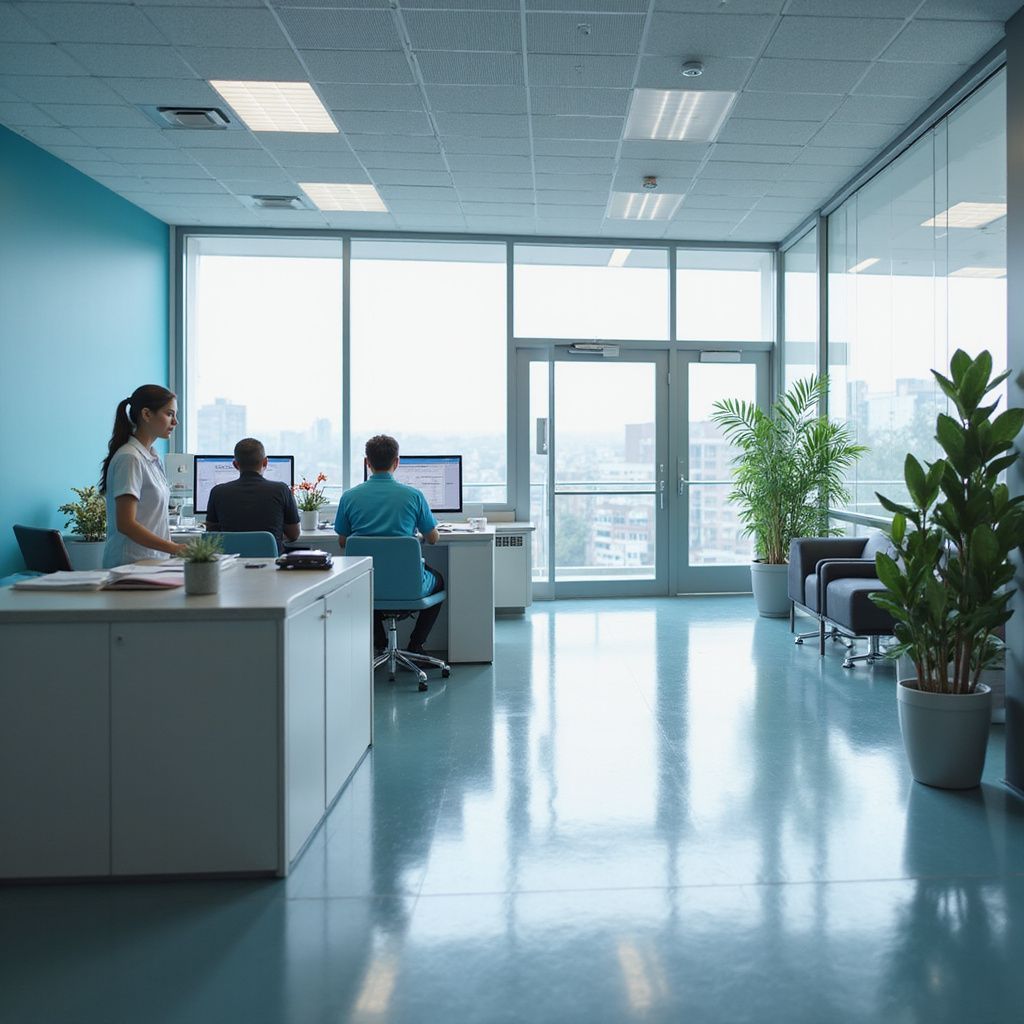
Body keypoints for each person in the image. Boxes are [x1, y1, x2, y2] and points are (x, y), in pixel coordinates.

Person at [335, 434, 444, 654]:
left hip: (365, 583)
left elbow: (343, 542)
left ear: (367, 462)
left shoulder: (349, 497)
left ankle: (379, 644)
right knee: (439, 580)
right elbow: (433, 538)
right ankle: (416, 644)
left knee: (370, 582)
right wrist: (416, 539)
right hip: (408, 584)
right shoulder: (413, 496)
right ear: (397, 461)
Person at [100, 384, 188, 568]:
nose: (175, 422)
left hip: (151, 563)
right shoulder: (130, 458)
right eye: (170, 414)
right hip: (130, 564)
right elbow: (126, 523)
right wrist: (174, 548)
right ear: (146, 414)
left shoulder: (151, 457)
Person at [204, 438, 300, 554]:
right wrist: (271, 538)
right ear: (265, 462)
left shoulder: (217, 492)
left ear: (235, 464)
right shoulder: (281, 490)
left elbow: (212, 535)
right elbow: (294, 534)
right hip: (270, 566)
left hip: (231, 566)